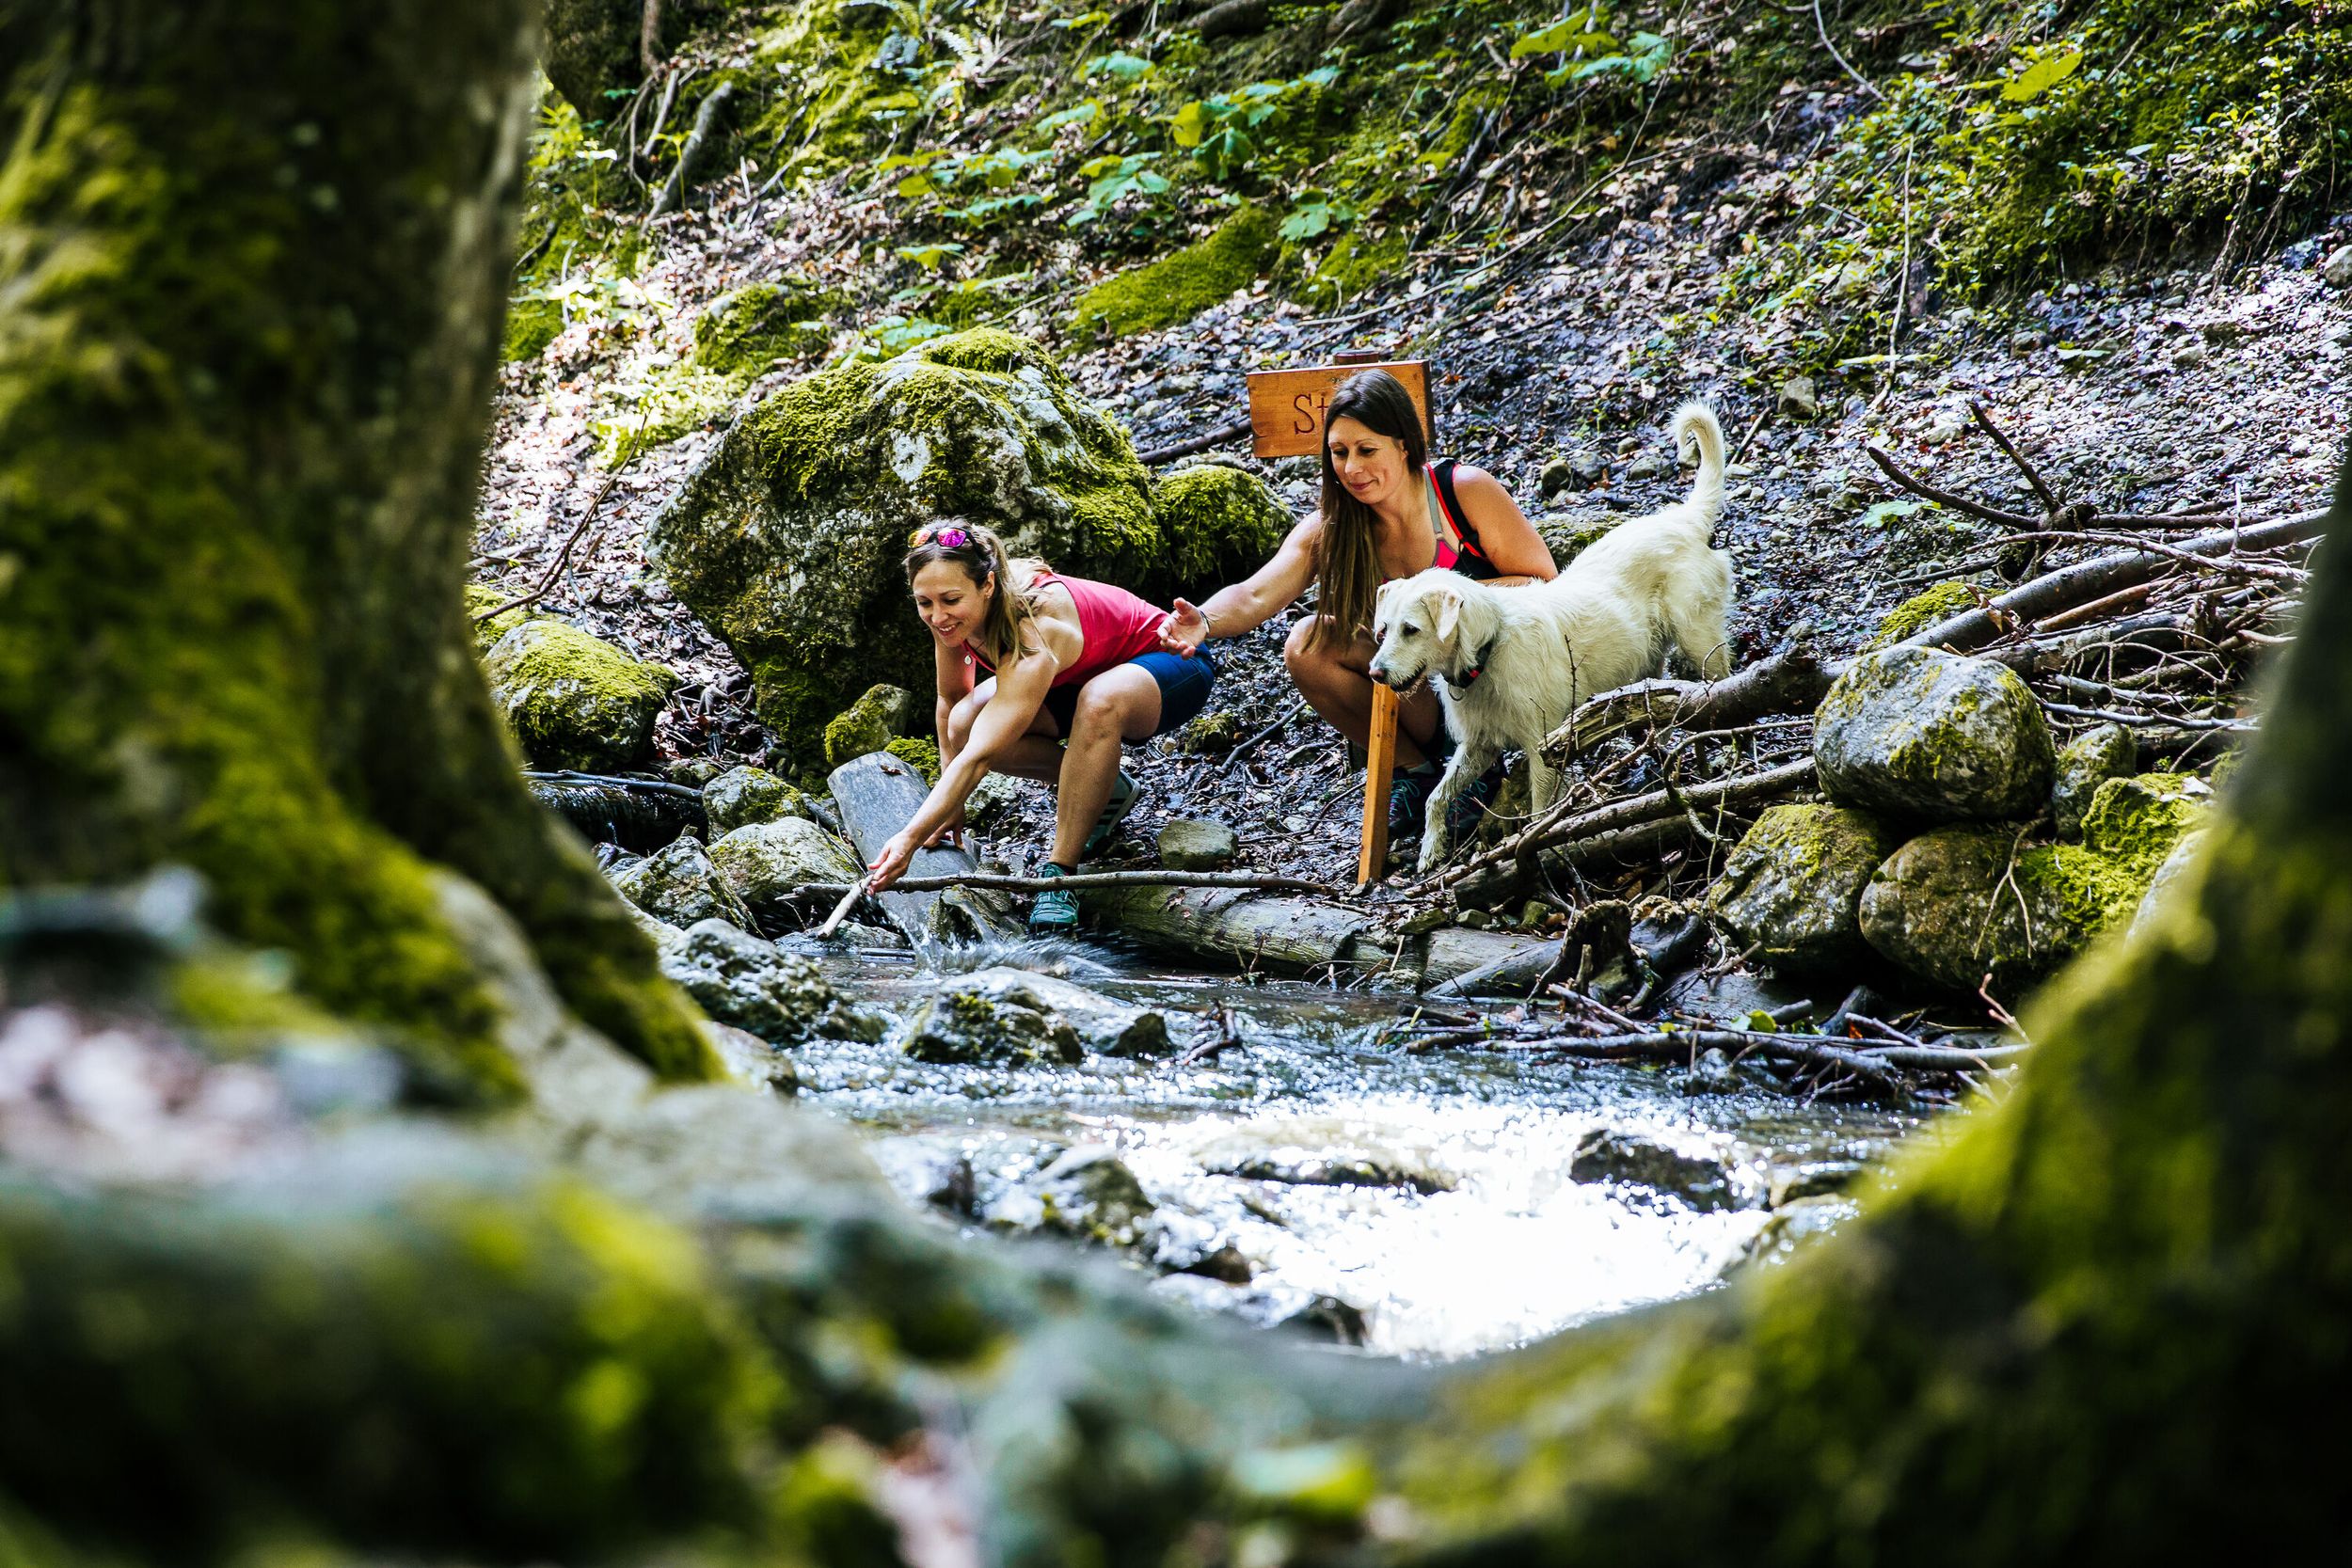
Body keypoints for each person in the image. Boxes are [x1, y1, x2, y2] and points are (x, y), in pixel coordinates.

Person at [1156, 368, 1556, 841]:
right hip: (1422, 692)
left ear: (1404, 445)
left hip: (1502, 684)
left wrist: (1445, 605)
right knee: (1307, 641)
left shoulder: (1462, 491)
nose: (1351, 469)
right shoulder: (1334, 526)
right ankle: (1416, 772)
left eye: (1367, 450)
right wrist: (1202, 619)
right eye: (1339, 453)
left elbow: (1541, 581)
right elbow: (1257, 592)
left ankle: (1481, 773)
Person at [865, 519, 1216, 930]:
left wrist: (907, 838)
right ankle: (1108, 790)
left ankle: (1060, 874)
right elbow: (952, 700)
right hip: (1078, 678)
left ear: (988, 585)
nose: (937, 615)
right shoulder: (954, 620)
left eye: (949, 600)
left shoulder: (1036, 627)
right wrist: (950, 802)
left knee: (1097, 702)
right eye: (924, 602)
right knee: (964, 724)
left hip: (1171, 666)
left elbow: (981, 756)